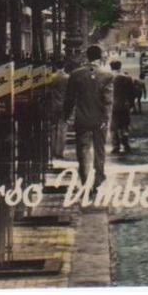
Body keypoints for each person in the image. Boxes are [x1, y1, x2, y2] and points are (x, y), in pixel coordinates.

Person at [63, 45, 114, 191]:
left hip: (82, 118)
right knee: (99, 149)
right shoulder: (107, 75)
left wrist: (66, 116)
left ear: (87, 56)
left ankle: (85, 181)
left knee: (83, 150)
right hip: (100, 120)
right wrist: (106, 119)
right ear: (101, 56)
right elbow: (108, 100)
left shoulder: (76, 74)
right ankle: (98, 178)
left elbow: (69, 99)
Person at [109, 60, 139, 154]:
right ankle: (125, 138)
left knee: (113, 127)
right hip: (124, 105)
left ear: (111, 67)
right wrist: (131, 104)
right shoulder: (127, 78)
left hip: (111, 106)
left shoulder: (107, 77)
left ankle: (116, 145)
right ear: (120, 66)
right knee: (124, 125)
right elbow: (132, 93)